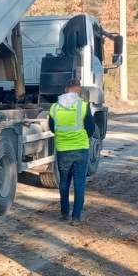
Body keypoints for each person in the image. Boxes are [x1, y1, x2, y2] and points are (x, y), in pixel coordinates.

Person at [48, 78, 96, 225]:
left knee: (64, 182)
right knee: (79, 184)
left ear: (65, 89)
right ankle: (76, 217)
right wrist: (81, 136)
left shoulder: (54, 108)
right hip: (80, 149)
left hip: (63, 149)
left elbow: (52, 128)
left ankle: (64, 213)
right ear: (78, 89)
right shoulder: (83, 106)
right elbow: (91, 128)